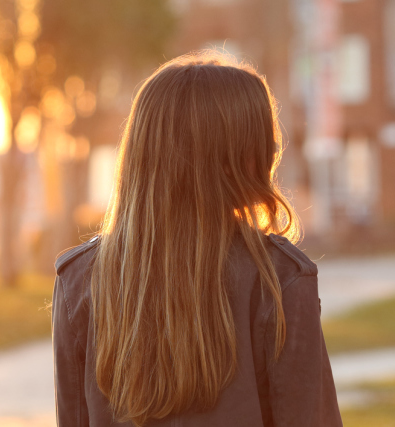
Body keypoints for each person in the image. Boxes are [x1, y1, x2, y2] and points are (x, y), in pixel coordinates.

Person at [52, 52, 342, 427]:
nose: (272, 150)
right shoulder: (279, 278)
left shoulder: (79, 279)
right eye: (260, 137)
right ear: (230, 156)